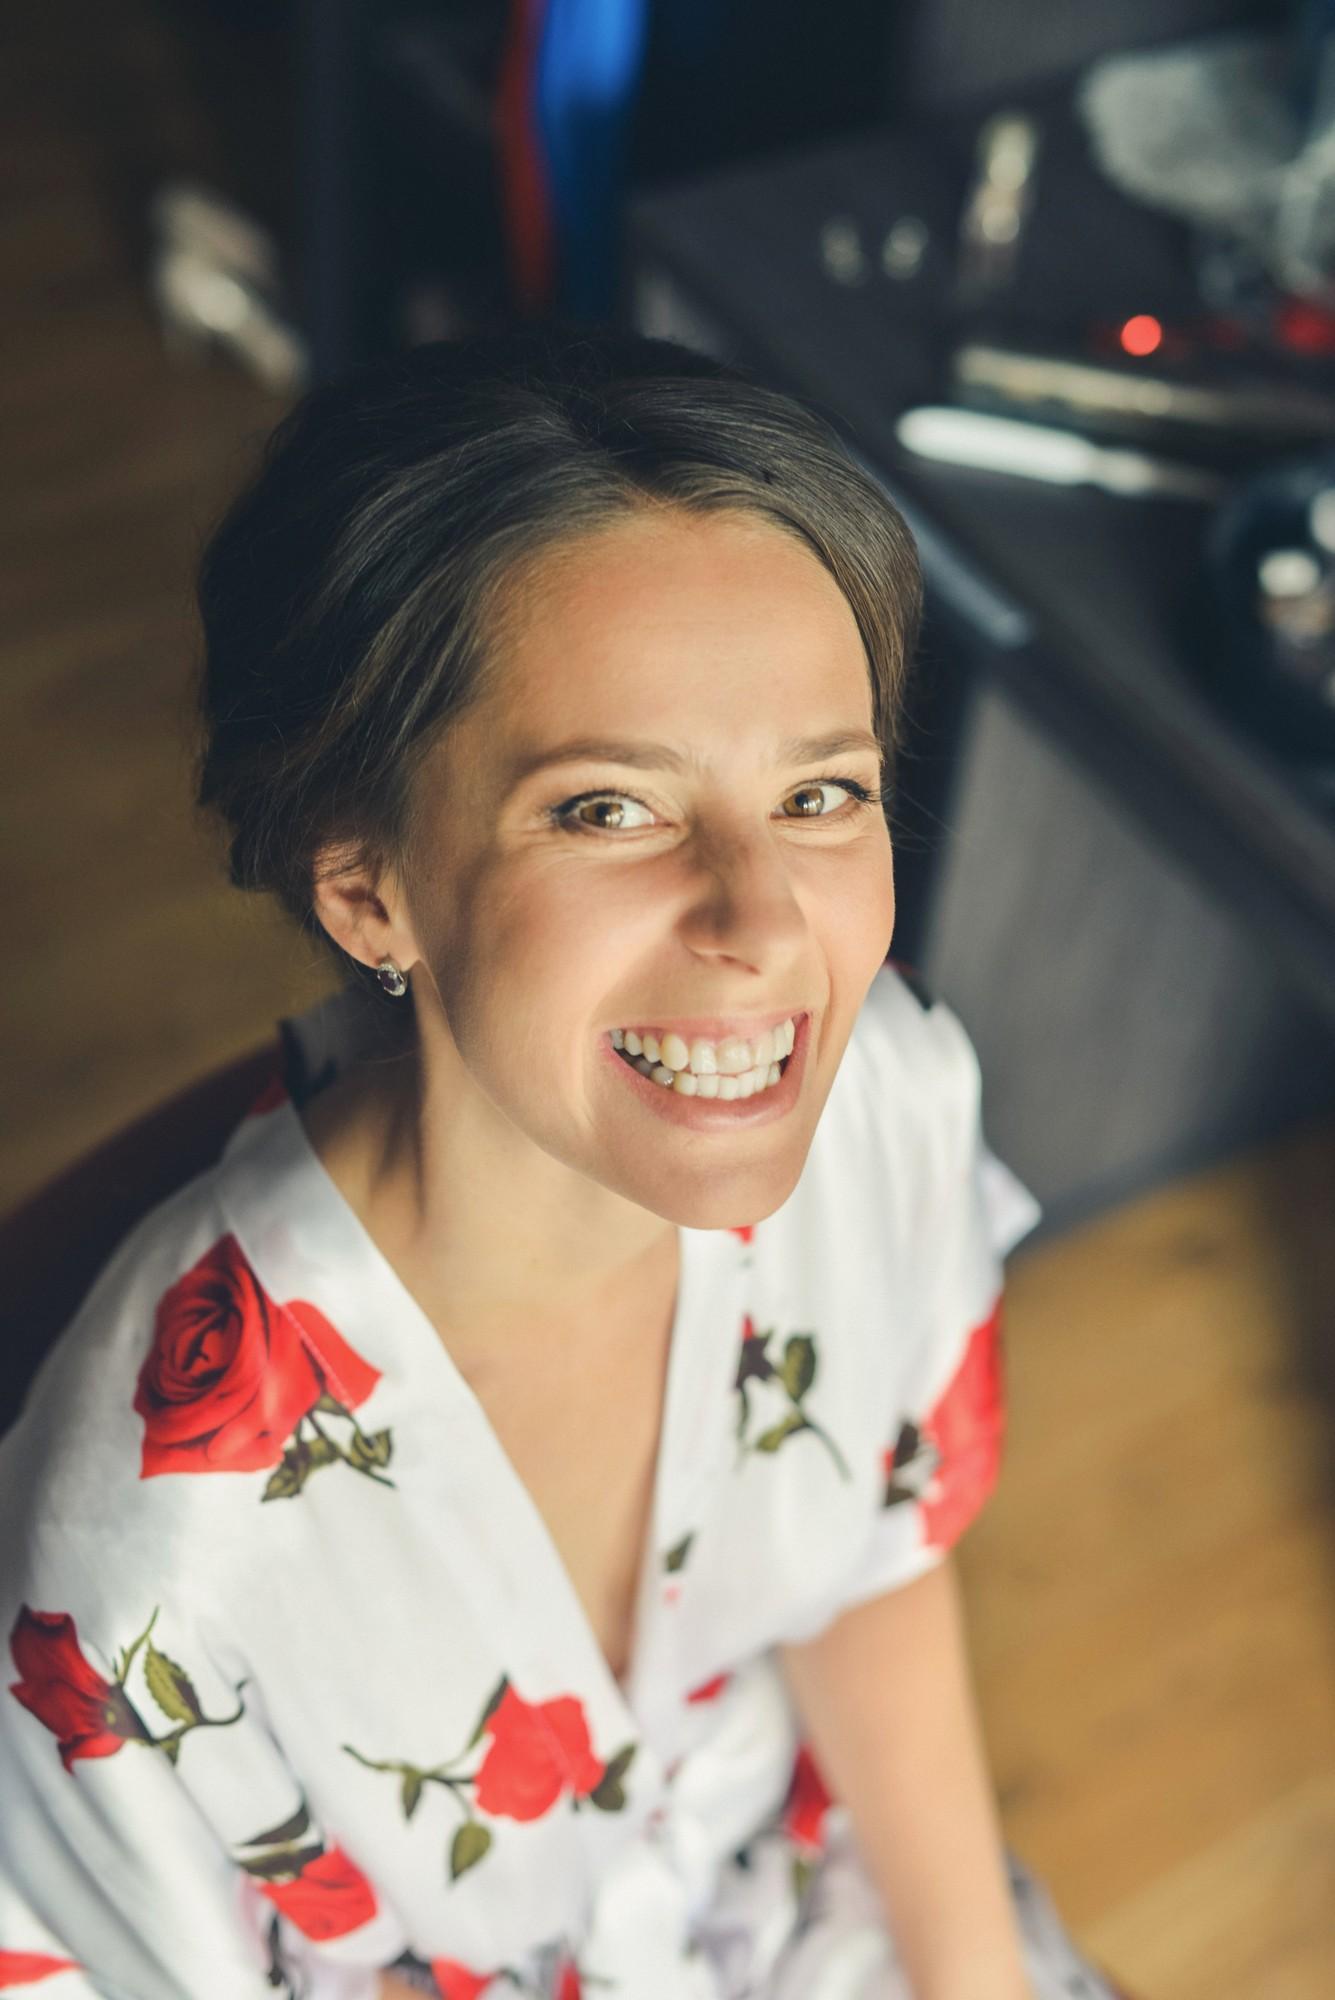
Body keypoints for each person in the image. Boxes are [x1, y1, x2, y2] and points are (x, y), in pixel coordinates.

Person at [0, 328, 1124, 2000]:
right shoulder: (154, 1567)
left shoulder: (883, 1104)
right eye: (608, 809)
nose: (763, 924)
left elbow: (871, 1567)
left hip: (806, 1911)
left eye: (822, 793)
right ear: (367, 888)